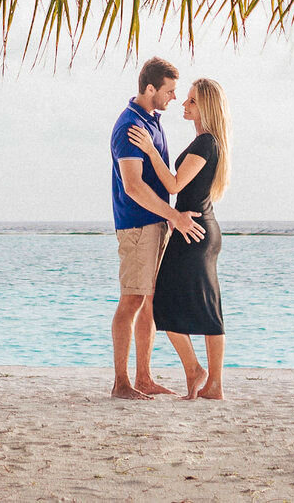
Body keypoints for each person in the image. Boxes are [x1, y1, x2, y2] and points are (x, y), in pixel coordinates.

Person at [127, 76, 230, 400]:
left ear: (206, 108)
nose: (184, 105)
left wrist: (148, 150)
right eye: (185, 99)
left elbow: (173, 185)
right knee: (196, 305)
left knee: (174, 304)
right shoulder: (206, 142)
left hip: (194, 231)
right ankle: (205, 378)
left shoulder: (206, 143)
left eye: (192, 101)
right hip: (194, 228)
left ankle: (203, 375)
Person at [108, 57, 204, 400]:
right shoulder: (129, 126)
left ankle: (144, 378)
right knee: (132, 299)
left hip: (156, 223)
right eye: (169, 90)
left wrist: (168, 218)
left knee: (148, 302)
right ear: (150, 89)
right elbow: (133, 186)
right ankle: (122, 383)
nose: (174, 97)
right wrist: (175, 216)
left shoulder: (152, 121)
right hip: (137, 225)